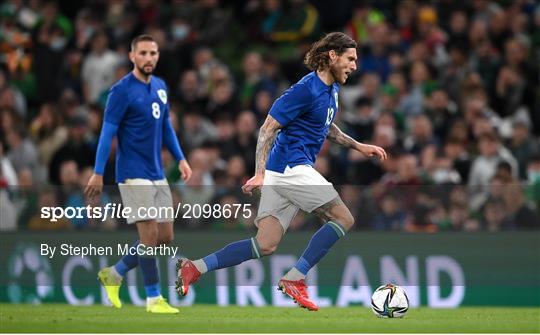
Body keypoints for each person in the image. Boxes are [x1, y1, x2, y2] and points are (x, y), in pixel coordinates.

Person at [175, 32, 387, 311]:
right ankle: (295, 278)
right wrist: (259, 172)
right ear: (332, 56)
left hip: (282, 171)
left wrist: (358, 145)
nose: (354, 66)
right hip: (291, 167)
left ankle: (195, 267)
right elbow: (267, 129)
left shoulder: (331, 89)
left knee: (265, 244)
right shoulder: (305, 89)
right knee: (343, 218)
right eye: (350, 59)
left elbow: (325, 126)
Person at [84, 35, 192, 314]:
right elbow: (107, 133)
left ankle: (115, 273)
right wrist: (98, 173)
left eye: (153, 53)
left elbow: (166, 127)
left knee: (165, 237)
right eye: (143, 53)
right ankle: (154, 298)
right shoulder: (120, 91)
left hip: (157, 171)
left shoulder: (160, 87)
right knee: (148, 236)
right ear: (132, 56)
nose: (149, 57)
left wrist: (181, 159)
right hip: (132, 173)